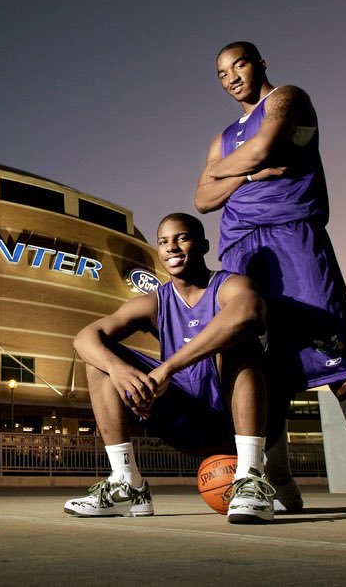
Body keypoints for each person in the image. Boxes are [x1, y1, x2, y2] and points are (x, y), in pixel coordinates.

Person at [194, 41, 346, 520]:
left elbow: (266, 146)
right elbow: (202, 198)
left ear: (261, 63)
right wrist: (249, 175)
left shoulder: (288, 98)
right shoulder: (222, 136)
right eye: (221, 73)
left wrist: (234, 168)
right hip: (240, 252)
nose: (231, 77)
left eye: (240, 65)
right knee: (256, 363)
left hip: (293, 235)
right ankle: (278, 482)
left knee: (337, 348)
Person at [64, 212, 281, 524]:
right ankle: (128, 484)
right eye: (164, 242)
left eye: (182, 238)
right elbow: (84, 337)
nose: (172, 248)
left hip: (246, 420)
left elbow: (248, 314)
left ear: (203, 245)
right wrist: (117, 370)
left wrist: (167, 368)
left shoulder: (229, 285)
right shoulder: (155, 301)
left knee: (238, 340)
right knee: (99, 359)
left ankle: (252, 478)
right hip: (190, 423)